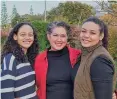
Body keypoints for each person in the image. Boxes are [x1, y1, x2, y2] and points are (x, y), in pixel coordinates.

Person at [34, 21, 81, 99]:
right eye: (55, 35)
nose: (59, 39)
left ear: (67, 37)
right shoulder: (39, 59)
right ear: (49, 36)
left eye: (63, 36)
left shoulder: (78, 55)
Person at [74, 17, 116, 99]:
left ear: (101, 36)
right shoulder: (86, 54)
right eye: (83, 31)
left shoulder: (100, 60)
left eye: (92, 33)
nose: (86, 35)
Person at [1, 22, 39, 99]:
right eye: (23, 34)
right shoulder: (10, 58)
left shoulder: (29, 58)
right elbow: (6, 92)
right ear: (15, 36)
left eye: (30, 35)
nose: (27, 38)